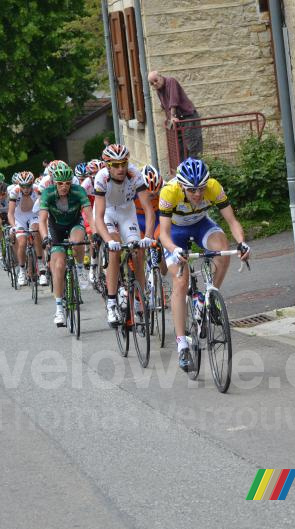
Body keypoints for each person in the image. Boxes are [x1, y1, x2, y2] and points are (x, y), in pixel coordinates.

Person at [158, 158, 251, 371]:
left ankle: (209, 296)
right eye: (192, 190)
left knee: (223, 250)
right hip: (175, 233)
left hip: (201, 225)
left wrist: (242, 243)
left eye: (200, 188)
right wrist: (174, 249)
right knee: (181, 281)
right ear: (181, 185)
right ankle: (182, 344)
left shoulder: (213, 187)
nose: (198, 194)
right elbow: (162, 234)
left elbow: (232, 221)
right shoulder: (169, 192)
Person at [93, 143, 156, 326]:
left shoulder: (134, 174)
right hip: (108, 213)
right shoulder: (101, 178)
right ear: (108, 166)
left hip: (127, 212)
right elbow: (98, 215)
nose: (121, 169)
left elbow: (148, 209)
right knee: (114, 250)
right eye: (116, 165)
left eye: (124, 164)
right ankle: (112, 303)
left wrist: (149, 236)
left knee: (138, 252)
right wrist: (107, 240)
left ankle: (139, 300)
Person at [37, 161, 93, 326]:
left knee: (76, 242)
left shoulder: (78, 191)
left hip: (75, 223)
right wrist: (45, 237)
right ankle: (59, 309)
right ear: (54, 182)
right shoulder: (47, 193)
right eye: (60, 184)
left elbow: (89, 216)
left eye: (67, 183)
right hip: (56, 229)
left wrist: (94, 234)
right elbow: (42, 220)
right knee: (59, 266)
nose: (64, 187)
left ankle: (81, 269)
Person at [148, 71, 203, 160]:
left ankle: (195, 169)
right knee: (180, 148)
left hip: (188, 117)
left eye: (155, 80)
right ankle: (183, 170)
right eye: (152, 83)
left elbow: (174, 101)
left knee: (192, 145)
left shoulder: (171, 81)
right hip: (178, 121)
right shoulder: (159, 91)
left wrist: (172, 116)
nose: (155, 84)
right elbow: (164, 106)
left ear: (160, 77)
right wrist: (169, 120)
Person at [8, 171, 46, 287]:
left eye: (28, 186)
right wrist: (14, 227)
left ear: (32, 184)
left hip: (33, 215)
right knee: (22, 242)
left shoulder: (37, 189)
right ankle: (22, 270)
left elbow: (42, 207)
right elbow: (10, 213)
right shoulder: (14, 191)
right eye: (22, 186)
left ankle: (41, 267)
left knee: (35, 232)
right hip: (19, 218)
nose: (25, 189)